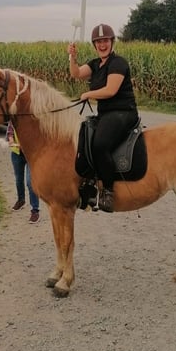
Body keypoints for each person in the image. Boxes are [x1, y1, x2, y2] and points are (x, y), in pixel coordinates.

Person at [68, 23, 139, 213]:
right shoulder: (95, 64)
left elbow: (111, 90)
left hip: (124, 112)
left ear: (112, 42)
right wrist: (72, 57)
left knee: (100, 143)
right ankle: (90, 182)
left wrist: (88, 94)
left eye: (105, 40)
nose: (102, 45)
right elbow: (76, 74)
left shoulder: (118, 63)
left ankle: (108, 191)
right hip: (106, 114)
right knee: (85, 134)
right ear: (94, 44)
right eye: (98, 42)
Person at [5, 121, 40, 223]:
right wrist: (11, 140)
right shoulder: (15, 117)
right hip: (16, 153)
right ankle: (21, 200)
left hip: (31, 155)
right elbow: (10, 131)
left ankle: (35, 210)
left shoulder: (32, 118)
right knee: (18, 180)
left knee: (30, 182)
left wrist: (26, 144)